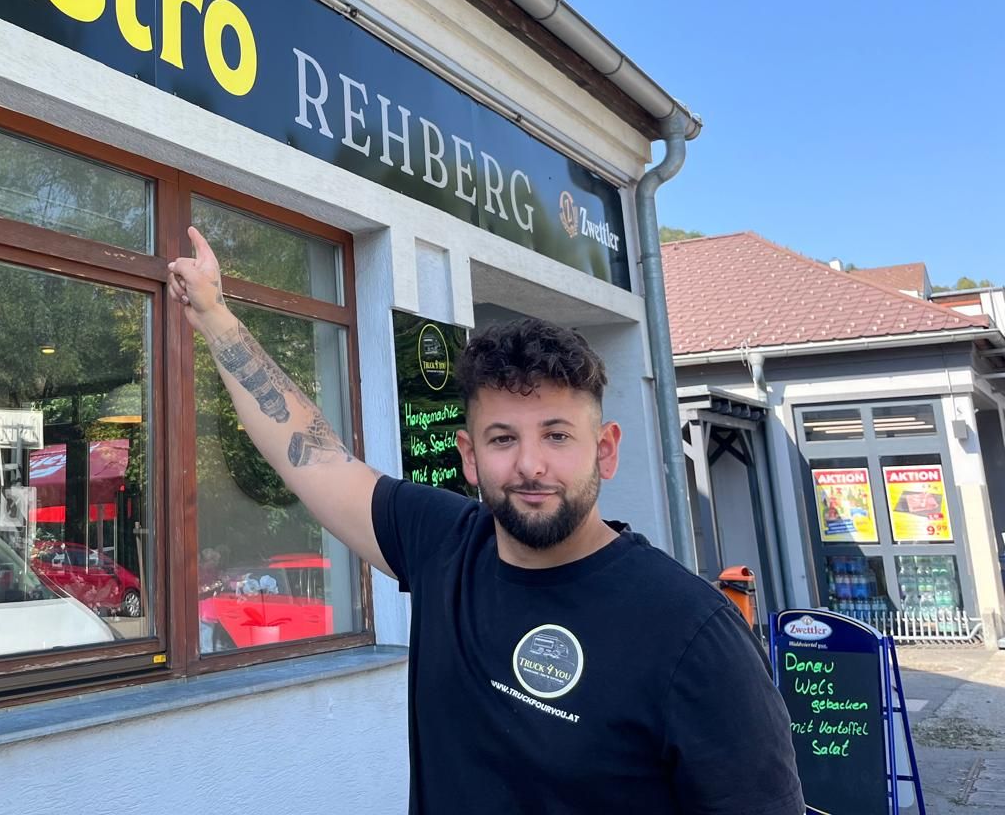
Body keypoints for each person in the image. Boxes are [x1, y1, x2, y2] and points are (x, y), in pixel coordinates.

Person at [168, 227, 802, 815]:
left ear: (605, 449)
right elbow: (315, 457)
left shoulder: (693, 633)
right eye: (503, 439)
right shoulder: (442, 545)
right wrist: (215, 316)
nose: (530, 464)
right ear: (469, 457)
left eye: (557, 435)